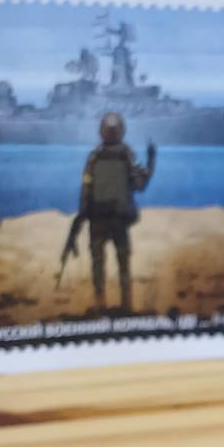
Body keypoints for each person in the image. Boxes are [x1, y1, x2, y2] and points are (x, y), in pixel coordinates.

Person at [79, 111, 155, 313]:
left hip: (97, 219)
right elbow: (140, 185)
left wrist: (83, 213)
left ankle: (99, 304)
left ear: (101, 131)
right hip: (119, 220)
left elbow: (86, 187)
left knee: (98, 264)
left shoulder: (93, 156)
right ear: (122, 130)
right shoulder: (128, 155)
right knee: (123, 264)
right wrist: (150, 163)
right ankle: (126, 305)